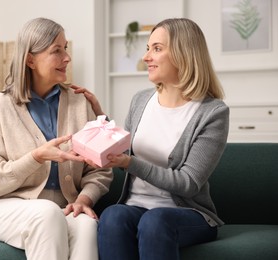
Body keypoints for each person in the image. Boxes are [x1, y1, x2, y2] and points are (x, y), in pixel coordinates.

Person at [73, 18, 229, 260]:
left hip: (185, 213)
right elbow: (124, 151)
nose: (146, 57)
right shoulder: (141, 100)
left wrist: (129, 164)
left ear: (183, 54)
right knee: (114, 215)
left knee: (155, 221)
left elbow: (188, 182)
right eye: (148, 48)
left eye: (157, 49)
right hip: (136, 207)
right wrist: (99, 115)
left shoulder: (212, 112)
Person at [0, 17, 113, 260]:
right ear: (30, 60)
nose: (66, 58)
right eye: (56, 51)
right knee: (47, 213)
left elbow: (100, 170)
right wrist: (35, 157)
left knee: (86, 224)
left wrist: (83, 199)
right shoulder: (1, 106)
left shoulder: (80, 103)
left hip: (61, 209)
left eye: (65, 49)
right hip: (1, 207)